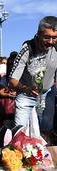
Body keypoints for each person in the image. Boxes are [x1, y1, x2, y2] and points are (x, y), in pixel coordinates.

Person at [9, 16, 57, 144]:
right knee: (19, 134)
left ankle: (46, 159)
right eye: (47, 37)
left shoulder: (56, 47)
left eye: (55, 37)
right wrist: (26, 89)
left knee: (46, 131)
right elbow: (12, 80)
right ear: (38, 33)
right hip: (26, 95)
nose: (51, 41)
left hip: (48, 93)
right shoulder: (27, 48)